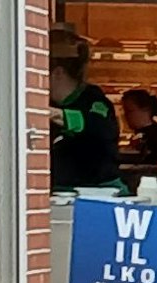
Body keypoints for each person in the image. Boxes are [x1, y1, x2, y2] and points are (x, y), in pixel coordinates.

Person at [49, 53, 120, 192]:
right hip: (59, 190)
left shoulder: (94, 100)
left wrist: (56, 115)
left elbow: (101, 127)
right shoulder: (51, 103)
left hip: (99, 190)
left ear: (58, 72)